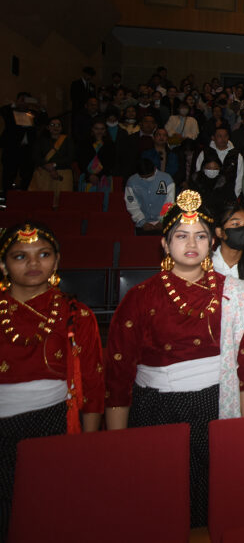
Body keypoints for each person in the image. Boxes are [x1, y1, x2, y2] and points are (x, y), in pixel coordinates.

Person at [105, 190, 244, 526]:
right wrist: (119, 446)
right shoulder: (139, 298)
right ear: (165, 244)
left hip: (216, 404)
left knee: (212, 504)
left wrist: (243, 431)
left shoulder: (237, 294)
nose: (192, 243)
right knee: (158, 504)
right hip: (156, 409)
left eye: (201, 236)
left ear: (212, 242)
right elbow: (118, 377)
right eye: (181, 236)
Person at [0, 222, 104, 537]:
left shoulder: (77, 315)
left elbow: (93, 385)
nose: (33, 263)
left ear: (57, 261)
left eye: (43, 254)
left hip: (53, 423)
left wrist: (85, 446)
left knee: (46, 516)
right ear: (3, 265)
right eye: (20, 256)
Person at [125, 158, 175, 235]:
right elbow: (132, 204)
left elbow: (169, 203)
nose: (147, 179)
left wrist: (162, 220)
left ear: (155, 169)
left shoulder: (167, 179)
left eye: (149, 176)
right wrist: (142, 222)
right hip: (142, 224)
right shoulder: (132, 182)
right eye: (143, 177)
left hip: (162, 223)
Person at [29, 118, 74, 193]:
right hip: (44, 174)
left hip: (63, 174)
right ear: (48, 127)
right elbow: (35, 156)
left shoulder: (68, 140)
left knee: (63, 198)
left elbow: (71, 157)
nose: (56, 127)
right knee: (44, 198)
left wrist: (54, 165)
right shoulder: (40, 140)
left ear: (62, 128)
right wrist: (45, 165)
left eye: (58, 125)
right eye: (52, 125)